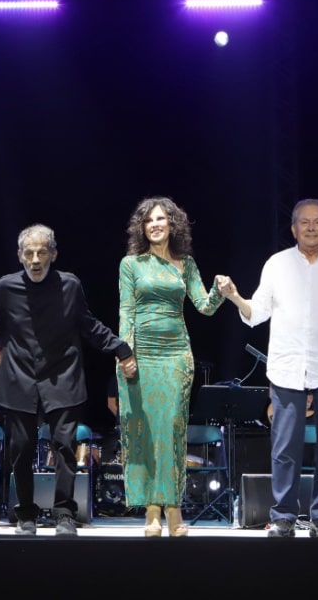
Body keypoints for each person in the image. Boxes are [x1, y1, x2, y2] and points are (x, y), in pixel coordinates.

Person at [0, 223, 136, 537]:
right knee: (21, 447)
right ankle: (26, 514)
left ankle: (64, 513)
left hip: (62, 375)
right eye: (29, 253)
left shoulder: (69, 285)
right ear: (20, 255)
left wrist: (120, 348)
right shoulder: (7, 287)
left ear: (53, 254)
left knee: (65, 447)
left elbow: (88, 325)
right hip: (19, 376)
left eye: (41, 253)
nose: (35, 260)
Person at [217, 198, 318, 539]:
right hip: (287, 368)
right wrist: (235, 296)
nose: (311, 227)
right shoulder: (277, 264)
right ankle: (283, 516)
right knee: (285, 446)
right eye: (304, 222)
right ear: (294, 228)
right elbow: (257, 312)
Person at [116, 196, 226, 537]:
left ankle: (173, 508)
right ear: (142, 227)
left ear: (172, 224)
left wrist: (220, 291)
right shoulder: (131, 264)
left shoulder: (186, 264)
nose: (155, 225)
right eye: (149, 220)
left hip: (176, 355)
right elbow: (126, 311)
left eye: (161, 219)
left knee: (172, 430)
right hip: (141, 356)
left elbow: (204, 306)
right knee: (145, 431)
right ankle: (151, 509)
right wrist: (125, 354)